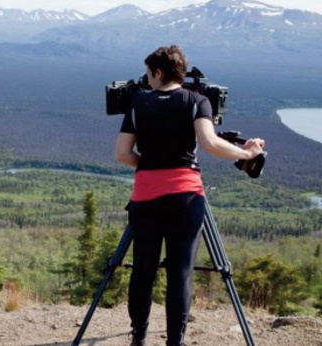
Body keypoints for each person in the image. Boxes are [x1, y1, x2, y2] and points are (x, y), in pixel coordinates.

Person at [114, 45, 265, 346]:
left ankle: (138, 337)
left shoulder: (137, 104)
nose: (146, 80)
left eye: (148, 74)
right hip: (185, 197)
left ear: (158, 72)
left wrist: (151, 163)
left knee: (143, 270)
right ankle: (175, 342)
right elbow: (209, 143)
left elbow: (122, 154)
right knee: (180, 273)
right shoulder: (197, 101)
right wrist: (247, 152)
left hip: (145, 197)